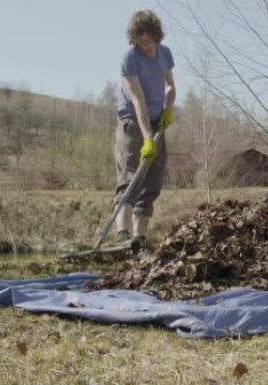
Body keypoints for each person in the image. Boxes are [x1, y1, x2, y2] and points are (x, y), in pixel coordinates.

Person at [114, 10, 176, 250]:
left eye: (148, 32)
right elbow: (138, 100)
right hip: (132, 122)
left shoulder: (165, 54)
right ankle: (122, 235)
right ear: (134, 35)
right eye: (139, 33)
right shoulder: (130, 58)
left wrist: (168, 108)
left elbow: (170, 86)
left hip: (157, 122)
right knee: (131, 177)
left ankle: (139, 240)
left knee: (152, 181)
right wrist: (147, 139)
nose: (144, 37)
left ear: (155, 32)